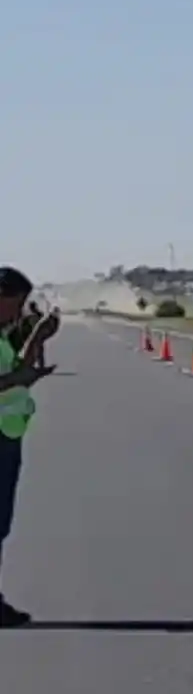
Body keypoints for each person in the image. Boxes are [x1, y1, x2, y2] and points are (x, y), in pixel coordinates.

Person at [0, 269, 60, 627]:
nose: (19, 310)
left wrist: (37, 337)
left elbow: (17, 371)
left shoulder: (3, 336)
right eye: (16, 302)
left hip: (7, 433)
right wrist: (17, 379)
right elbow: (12, 378)